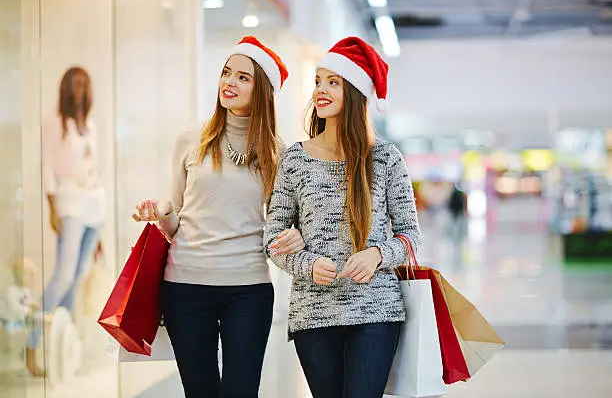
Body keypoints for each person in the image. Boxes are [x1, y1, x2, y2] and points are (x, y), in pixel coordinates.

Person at [132, 36, 304, 398]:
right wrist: (164, 213)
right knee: (201, 392)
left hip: (249, 289)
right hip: (186, 287)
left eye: (244, 77)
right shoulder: (189, 139)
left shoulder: (276, 151)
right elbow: (175, 220)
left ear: (262, 90)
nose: (230, 82)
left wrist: (297, 236)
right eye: (227, 73)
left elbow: (280, 224)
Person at [264, 37, 423, 398]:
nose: (320, 90)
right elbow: (272, 235)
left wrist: (378, 254)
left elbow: (412, 236)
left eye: (333, 82)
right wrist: (305, 263)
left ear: (354, 91)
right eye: (318, 80)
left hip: (376, 312)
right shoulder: (295, 159)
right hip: (313, 314)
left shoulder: (385, 158)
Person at [26, 66, 105, 377]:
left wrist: (99, 233)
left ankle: (65, 351)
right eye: (75, 85)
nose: (79, 90)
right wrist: (51, 208)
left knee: (79, 275)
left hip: (94, 205)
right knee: (63, 276)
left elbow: (94, 169)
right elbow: (47, 167)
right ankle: (31, 345)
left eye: (84, 85)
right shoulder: (54, 123)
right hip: (70, 203)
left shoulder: (91, 126)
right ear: (65, 88)